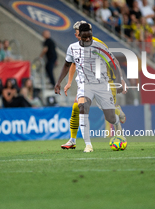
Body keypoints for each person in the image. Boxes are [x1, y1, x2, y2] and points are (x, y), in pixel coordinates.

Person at [54, 23, 125, 152]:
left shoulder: (100, 47)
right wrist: (59, 82)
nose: (87, 39)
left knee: (109, 117)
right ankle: (88, 145)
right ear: (79, 35)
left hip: (101, 84)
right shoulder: (72, 48)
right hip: (84, 85)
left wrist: (119, 82)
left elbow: (113, 63)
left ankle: (116, 122)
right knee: (82, 107)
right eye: (85, 37)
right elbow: (67, 64)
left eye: (89, 36)